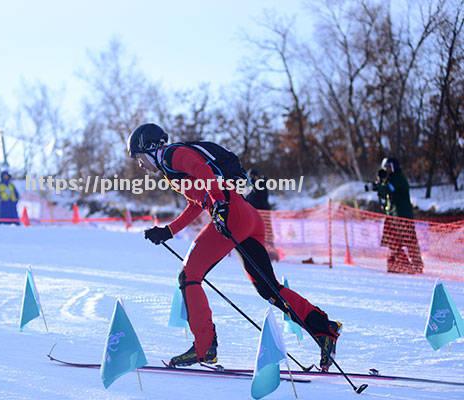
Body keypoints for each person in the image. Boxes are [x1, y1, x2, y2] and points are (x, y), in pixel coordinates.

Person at [127, 123, 341, 371]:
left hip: (232, 213)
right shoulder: (169, 171)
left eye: (139, 157)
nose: (140, 165)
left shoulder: (173, 154)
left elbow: (204, 170)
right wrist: (168, 230)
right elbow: (196, 204)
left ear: (150, 148)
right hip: (245, 214)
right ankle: (324, 329)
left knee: (189, 276)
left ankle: (204, 347)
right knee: (268, 288)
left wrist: (219, 205)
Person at [375, 158, 424, 274]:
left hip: (402, 215)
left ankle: (417, 265)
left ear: (393, 167)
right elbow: (384, 194)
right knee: (393, 242)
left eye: (388, 167)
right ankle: (399, 264)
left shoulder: (398, 178)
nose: (386, 170)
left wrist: (379, 186)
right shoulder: (390, 179)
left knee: (409, 241)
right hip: (392, 216)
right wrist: (380, 181)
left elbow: (388, 189)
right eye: (384, 168)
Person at [246, 169, 279, 261]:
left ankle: (271, 253)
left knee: (266, 234)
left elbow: (257, 193)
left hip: (261, 213)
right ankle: (263, 252)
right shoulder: (252, 188)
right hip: (258, 213)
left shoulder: (260, 184)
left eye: (252, 177)